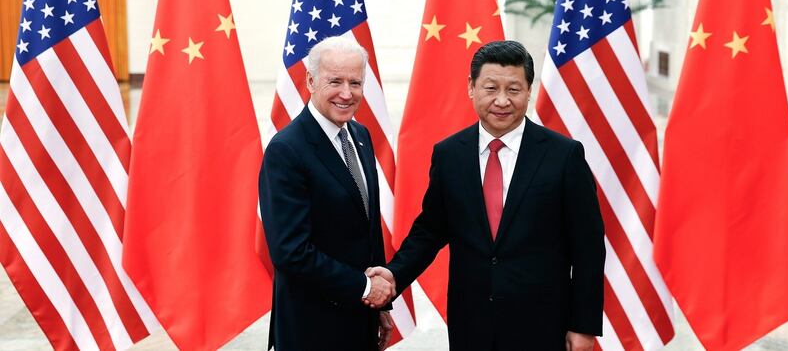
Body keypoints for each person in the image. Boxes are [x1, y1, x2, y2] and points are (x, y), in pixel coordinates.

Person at [370, 40, 605, 351]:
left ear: (528, 90)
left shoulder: (564, 156)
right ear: (471, 87)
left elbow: (588, 248)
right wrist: (393, 275)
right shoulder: (449, 154)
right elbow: (430, 231)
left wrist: (583, 326)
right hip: (472, 323)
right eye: (491, 88)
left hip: (543, 325)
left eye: (514, 89)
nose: (502, 101)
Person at [259, 36, 395, 351]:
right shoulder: (287, 150)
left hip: (360, 319)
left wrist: (381, 306)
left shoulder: (360, 135)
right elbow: (290, 251)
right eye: (335, 81)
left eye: (355, 83)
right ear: (310, 81)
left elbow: (368, 227)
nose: (346, 94)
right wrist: (365, 287)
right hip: (311, 328)